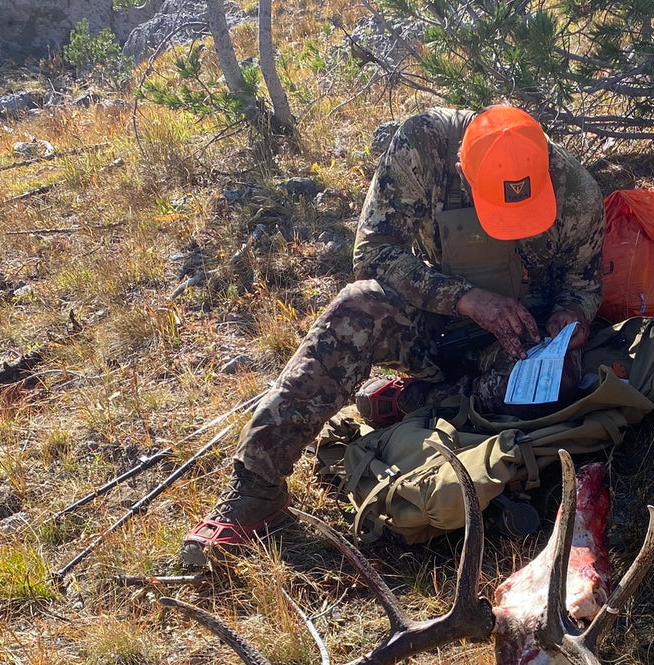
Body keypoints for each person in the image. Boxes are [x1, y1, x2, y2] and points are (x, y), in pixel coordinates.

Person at [181, 104, 605, 566]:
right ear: (463, 170)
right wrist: (464, 298)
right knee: (356, 306)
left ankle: (417, 401)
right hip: (434, 323)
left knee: (557, 386)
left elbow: (582, 286)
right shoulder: (422, 148)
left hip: (518, 345)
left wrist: (570, 318)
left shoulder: (575, 191)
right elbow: (373, 255)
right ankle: (257, 484)